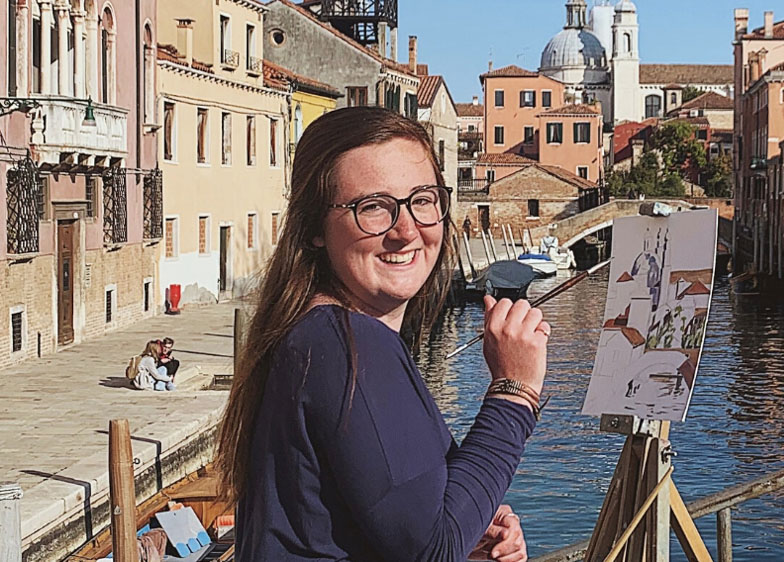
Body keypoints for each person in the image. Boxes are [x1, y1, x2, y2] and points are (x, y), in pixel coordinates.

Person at [216, 107, 550, 562]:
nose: (407, 229)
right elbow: (433, 548)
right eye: (372, 207)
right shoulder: (343, 343)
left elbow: (407, 526)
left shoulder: (319, 336)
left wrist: (471, 523)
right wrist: (515, 391)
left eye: (423, 200)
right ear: (314, 227)